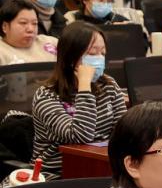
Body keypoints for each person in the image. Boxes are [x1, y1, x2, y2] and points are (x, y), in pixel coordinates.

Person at [31, 22, 128, 177]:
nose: (99, 58)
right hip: (60, 173)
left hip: (101, 165)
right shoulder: (46, 95)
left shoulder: (108, 84)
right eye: (92, 53)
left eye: (102, 53)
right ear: (71, 58)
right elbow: (80, 136)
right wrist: (84, 86)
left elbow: (123, 131)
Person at [0, 0, 58, 64]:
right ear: (5, 26)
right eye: (23, 23)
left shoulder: (51, 42)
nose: (31, 29)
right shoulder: (1, 52)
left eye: (34, 23)